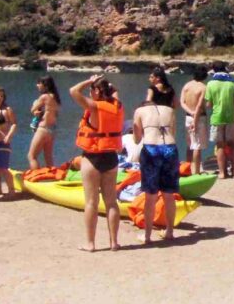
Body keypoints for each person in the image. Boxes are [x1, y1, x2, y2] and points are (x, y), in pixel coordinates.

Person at [69, 75, 124, 252]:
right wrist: (103, 82)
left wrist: (88, 80)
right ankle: (114, 242)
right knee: (111, 202)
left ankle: (90, 244)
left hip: (92, 158)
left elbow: (73, 91)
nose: (90, 92)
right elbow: (114, 91)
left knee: (91, 202)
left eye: (93, 89)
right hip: (110, 158)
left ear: (98, 91)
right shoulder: (117, 105)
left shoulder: (93, 106)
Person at [132, 99, 179, 243]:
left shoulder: (139, 111)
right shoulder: (170, 110)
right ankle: (170, 232)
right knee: (169, 195)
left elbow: (136, 138)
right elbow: (174, 132)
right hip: (170, 148)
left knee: (150, 196)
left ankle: (147, 236)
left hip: (152, 149)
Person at [205, 62, 234, 179]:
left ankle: (222, 172)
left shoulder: (210, 84)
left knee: (220, 145)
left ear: (214, 70)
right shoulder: (232, 84)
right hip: (231, 117)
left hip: (217, 118)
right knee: (233, 145)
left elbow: (209, 104)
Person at [27, 75, 61, 169]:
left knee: (31, 156)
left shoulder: (44, 97)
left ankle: (35, 177)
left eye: (39, 83)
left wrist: (35, 104)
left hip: (43, 129)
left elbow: (32, 109)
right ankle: (53, 178)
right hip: (52, 130)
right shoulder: (56, 98)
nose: (37, 85)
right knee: (48, 157)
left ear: (45, 85)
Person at [180, 66, 209, 175]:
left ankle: (187, 168)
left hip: (188, 116)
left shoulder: (187, 85)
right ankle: (196, 171)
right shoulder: (203, 87)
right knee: (197, 145)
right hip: (199, 117)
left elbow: (182, 102)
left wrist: (190, 113)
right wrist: (195, 120)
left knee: (190, 144)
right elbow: (198, 106)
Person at [0, 86, 17, 198]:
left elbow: (14, 123)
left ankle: (11, 190)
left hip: (3, 142)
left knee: (4, 168)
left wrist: (9, 135)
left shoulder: (7, 110)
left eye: (1, 96)